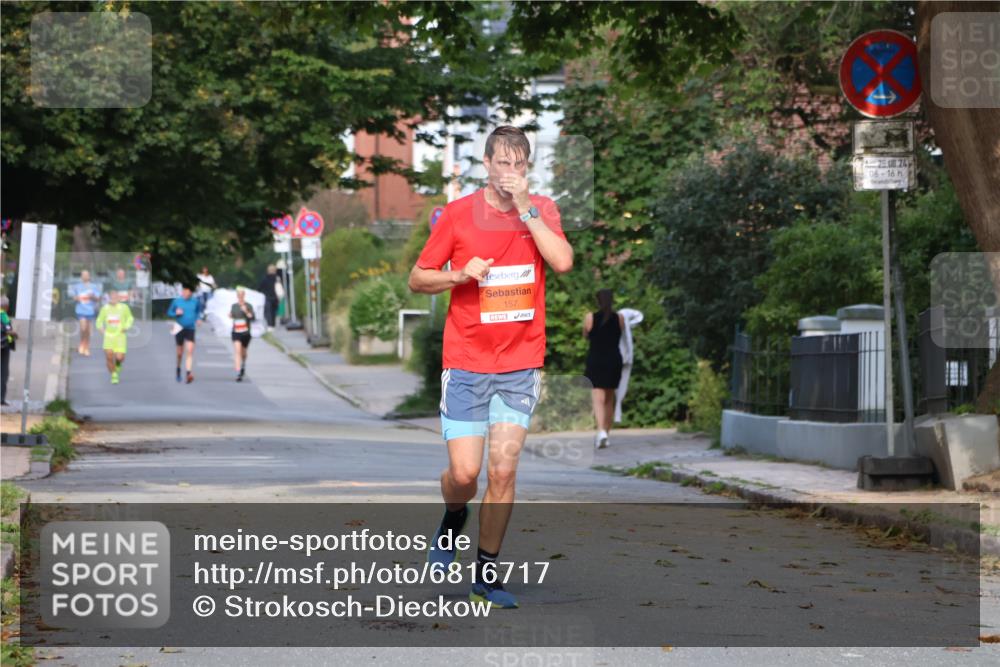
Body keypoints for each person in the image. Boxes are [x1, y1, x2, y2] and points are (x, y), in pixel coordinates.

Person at [408, 125, 573, 609]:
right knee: (465, 474)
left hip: (520, 362)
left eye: (519, 164)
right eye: (503, 162)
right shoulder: (458, 215)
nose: (510, 172)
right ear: (486, 164)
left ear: (528, 168)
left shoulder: (541, 210)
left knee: (502, 472)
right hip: (466, 362)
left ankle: (485, 573)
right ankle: (452, 515)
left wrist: (527, 211)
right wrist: (460, 274)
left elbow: (563, 261)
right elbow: (418, 278)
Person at [583, 289, 624, 449]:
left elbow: (586, 335)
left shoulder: (590, 317)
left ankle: (601, 431)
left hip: (596, 360)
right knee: (609, 398)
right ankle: (606, 433)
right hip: (614, 360)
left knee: (597, 398)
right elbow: (620, 334)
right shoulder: (619, 318)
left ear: (598, 301)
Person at [95, 290, 135, 385]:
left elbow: (130, 318)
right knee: (109, 356)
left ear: (118, 298)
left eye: (115, 297)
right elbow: (99, 320)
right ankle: (114, 375)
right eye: (111, 297)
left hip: (120, 337)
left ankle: (118, 364)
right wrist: (101, 329)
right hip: (108, 337)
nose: (113, 299)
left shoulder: (124, 307)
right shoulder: (105, 308)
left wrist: (126, 327)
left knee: (120, 357)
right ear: (108, 298)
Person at [168, 285, 202, 383]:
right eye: (185, 291)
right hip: (179, 328)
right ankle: (178, 369)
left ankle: (188, 373)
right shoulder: (177, 301)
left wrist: (198, 319)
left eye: (188, 291)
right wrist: (176, 313)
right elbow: (169, 312)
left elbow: (198, 312)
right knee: (179, 353)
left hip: (190, 328)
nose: (186, 293)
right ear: (182, 291)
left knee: (190, 351)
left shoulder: (195, 301)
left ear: (191, 292)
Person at [67, 270, 101, 356]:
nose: (85, 276)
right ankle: (82, 344)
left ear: (89, 276)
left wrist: (92, 296)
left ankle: (86, 347)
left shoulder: (94, 286)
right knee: (83, 328)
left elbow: (97, 299)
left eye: (86, 275)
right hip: (80, 310)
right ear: (81, 277)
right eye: (83, 275)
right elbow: (73, 296)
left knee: (88, 330)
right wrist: (76, 298)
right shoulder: (77, 286)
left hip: (90, 310)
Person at [230, 286, 255, 382]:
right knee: (237, 351)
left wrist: (246, 311)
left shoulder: (249, 305)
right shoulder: (234, 306)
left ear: (244, 295)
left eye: (242, 294)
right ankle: (238, 372)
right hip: (236, 331)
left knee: (243, 352)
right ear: (237, 296)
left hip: (245, 332)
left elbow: (252, 318)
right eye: (238, 295)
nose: (240, 296)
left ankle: (243, 363)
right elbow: (232, 315)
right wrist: (230, 315)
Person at [1, 296, 17, 406]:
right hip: (3, 346)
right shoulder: (3, 315)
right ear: (6, 306)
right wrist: (15, 334)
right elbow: (7, 330)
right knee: (3, 373)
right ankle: (1, 398)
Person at [258, 265, 279, 331]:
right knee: (273, 311)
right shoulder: (277, 278)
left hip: (267, 297)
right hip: (275, 297)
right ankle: (273, 324)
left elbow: (260, 288)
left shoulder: (265, 279)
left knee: (268, 312)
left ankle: (270, 325)